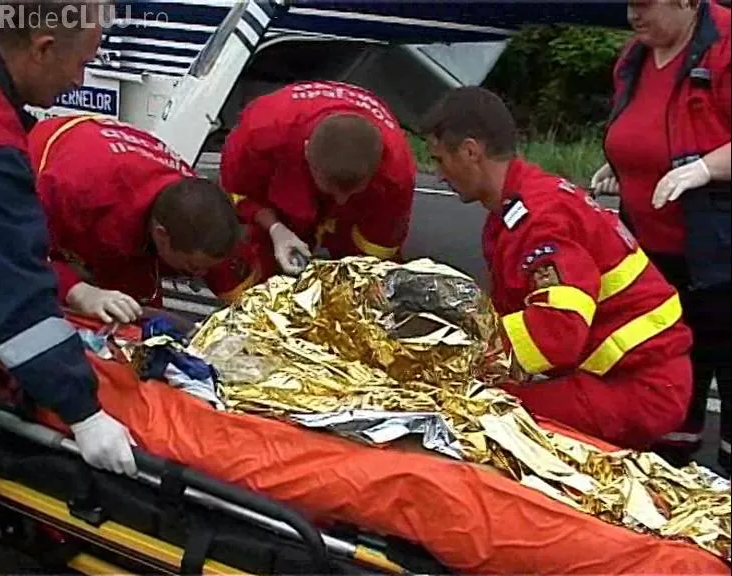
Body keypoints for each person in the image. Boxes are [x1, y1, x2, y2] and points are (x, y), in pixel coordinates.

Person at [0, 2, 137, 572]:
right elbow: (16, 306)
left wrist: (69, 288)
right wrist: (84, 413)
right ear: (43, 46)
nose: (81, 79)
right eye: (82, 62)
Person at [421, 86, 694, 451]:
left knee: (481, 413)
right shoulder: (520, 208)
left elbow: (558, 333)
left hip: (638, 385)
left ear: (471, 151)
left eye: (440, 160)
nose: (438, 174)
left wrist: (463, 358)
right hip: (630, 374)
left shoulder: (540, 220)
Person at [591, 0, 730, 473]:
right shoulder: (636, 56)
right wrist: (623, 161)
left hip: (720, 250)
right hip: (656, 249)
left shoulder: (726, 45)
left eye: (646, 3)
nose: (634, 14)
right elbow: (644, 125)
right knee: (672, 365)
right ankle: (671, 471)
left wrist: (705, 168)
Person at [27, 114, 246, 323]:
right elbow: (17, 251)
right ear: (161, 235)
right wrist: (77, 290)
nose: (200, 275)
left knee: (141, 317)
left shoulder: (196, 205)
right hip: (45, 165)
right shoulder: (73, 190)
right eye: (194, 267)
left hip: (116, 187)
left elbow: (224, 272)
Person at [219, 80, 417, 283]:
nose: (340, 201)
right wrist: (275, 228)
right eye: (331, 189)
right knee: (255, 261)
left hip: (363, 199)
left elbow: (380, 244)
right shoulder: (260, 133)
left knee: (365, 275)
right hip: (286, 159)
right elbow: (240, 191)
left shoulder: (396, 172)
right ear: (306, 152)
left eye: (352, 191)